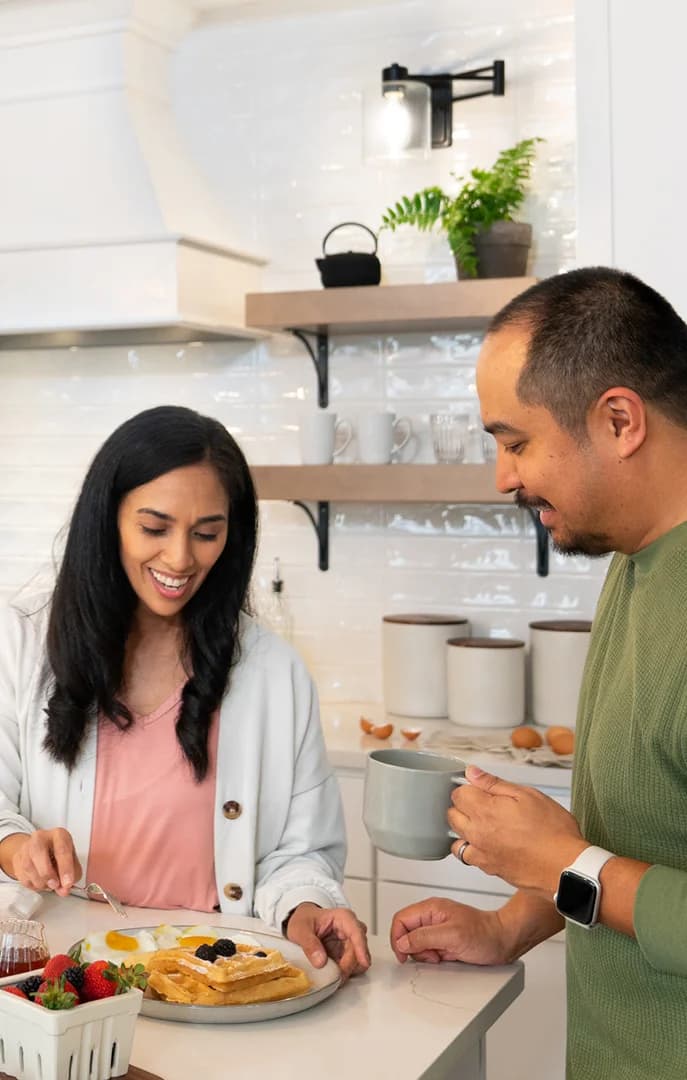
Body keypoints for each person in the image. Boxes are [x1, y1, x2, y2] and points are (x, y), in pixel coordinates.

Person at [389, 267, 687, 1078]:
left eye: (515, 441)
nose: (503, 477)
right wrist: (509, 924)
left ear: (619, 420)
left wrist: (561, 862)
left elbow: (585, 860)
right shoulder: (635, 563)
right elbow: (626, 848)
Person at [0, 405, 369, 980]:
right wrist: (20, 848)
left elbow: (303, 853)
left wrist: (308, 908)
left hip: (211, 979)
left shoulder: (274, 672)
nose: (180, 558)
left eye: (206, 534)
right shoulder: (22, 640)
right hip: (63, 982)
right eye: (154, 528)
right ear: (108, 520)